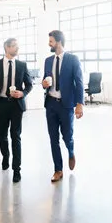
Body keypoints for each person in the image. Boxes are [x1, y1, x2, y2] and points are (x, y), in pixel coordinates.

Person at [0, 38, 33, 183]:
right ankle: (5, 156)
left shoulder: (22, 65)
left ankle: (16, 169)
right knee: (2, 135)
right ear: (7, 47)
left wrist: (22, 94)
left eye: (17, 46)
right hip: (2, 104)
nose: (17, 49)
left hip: (17, 105)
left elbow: (29, 85)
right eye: (14, 46)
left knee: (16, 136)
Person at [41, 30, 83, 183]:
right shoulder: (47, 60)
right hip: (51, 103)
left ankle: (71, 152)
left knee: (67, 137)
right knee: (53, 139)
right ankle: (58, 170)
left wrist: (79, 105)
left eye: (51, 41)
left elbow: (78, 82)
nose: (49, 44)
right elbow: (45, 80)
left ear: (58, 42)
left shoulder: (72, 59)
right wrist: (43, 84)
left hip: (66, 106)